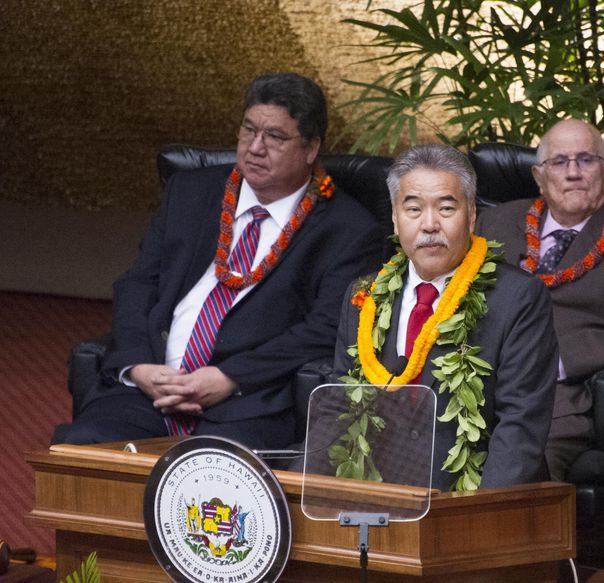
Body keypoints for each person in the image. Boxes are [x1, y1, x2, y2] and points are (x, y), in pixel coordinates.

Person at [55, 73, 383, 448]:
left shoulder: (348, 230)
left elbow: (325, 329)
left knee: (214, 477)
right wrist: (138, 367)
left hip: (247, 403)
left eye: (274, 137)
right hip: (147, 391)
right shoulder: (191, 193)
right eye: (248, 130)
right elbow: (137, 284)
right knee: (82, 451)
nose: (255, 147)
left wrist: (230, 377)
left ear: (310, 149)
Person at [331, 144, 558, 492]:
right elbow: (340, 410)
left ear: (471, 216)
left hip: (476, 504)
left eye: (446, 207)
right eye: (413, 208)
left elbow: (520, 427)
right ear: (394, 217)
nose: (429, 224)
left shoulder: (518, 299)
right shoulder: (363, 297)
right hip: (385, 504)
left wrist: (476, 517)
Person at [477, 119, 604, 481]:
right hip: (476, 384)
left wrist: (549, 361)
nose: (573, 172)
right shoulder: (494, 223)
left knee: (517, 482)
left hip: (556, 397)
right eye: (559, 162)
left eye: (586, 159)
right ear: (539, 177)